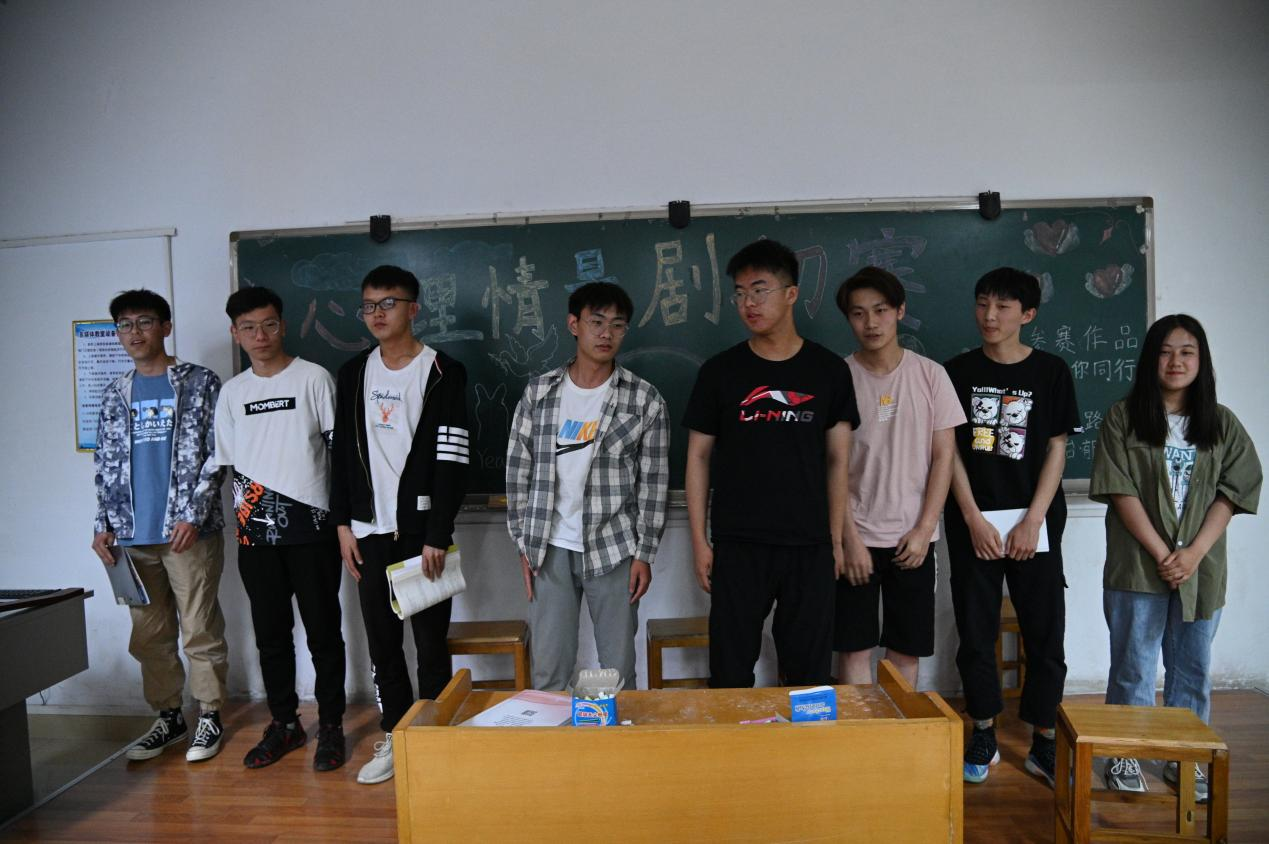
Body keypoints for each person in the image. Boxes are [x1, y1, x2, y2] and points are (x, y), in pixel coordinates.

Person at [1090, 314, 1260, 801]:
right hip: (1137, 566)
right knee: (1133, 666)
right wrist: (1166, 554)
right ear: (1151, 359)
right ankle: (1125, 752)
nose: (1176, 361)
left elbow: (1235, 490)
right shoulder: (1123, 418)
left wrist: (1194, 554)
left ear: (1201, 360)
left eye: (1187, 351)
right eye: (1165, 351)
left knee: (1192, 668)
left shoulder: (1221, 423)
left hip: (1201, 571)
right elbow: (1119, 489)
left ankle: (1185, 756)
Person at [684, 239, 859, 689]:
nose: (749, 303)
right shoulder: (720, 372)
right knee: (730, 671)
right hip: (738, 543)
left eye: (759, 290)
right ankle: (735, 739)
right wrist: (700, 541)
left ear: (791, 293)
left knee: (809, 675)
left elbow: (838, 460)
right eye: (740, 293)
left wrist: (835, 540)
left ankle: (805, 740)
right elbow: (698, 457)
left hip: (809, 544)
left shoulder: (828, 371)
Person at [329, 265, 470, 785]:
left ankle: (432, 737)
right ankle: (396, 734)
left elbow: (453, 457)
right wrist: (342, 525)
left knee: (430, 644)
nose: (377, 314)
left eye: (388, 303)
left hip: (421, 533)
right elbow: (341, 455)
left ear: (414, 309)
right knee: (383, 645)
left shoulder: (443, 371)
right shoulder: (353, 373)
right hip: (368, 532)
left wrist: (438, 532)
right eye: (369, 305)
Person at [943, 267, 1080, 788]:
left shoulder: (1051, 371)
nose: (990, 315)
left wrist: (1034, 519)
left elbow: (1056, 449)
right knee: (975, 630)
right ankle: (983, 730)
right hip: (974, 521)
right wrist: (971, 517)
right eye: (982, 303)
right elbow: (948, 452)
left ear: (1028, 314)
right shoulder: (955, 372)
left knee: (1045, 632)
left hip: (1034, 523)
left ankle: (1043, 738)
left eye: (1002, 306)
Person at [506, 282, 669, 690]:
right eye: (596, 322)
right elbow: (517, 471)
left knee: (618, 671)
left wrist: (645, 554)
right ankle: (555, 735)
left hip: (614, 548)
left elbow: (654, 483)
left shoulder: (645, 400)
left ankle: (617, 733)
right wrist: (524, 544)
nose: (606, 333)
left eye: (617, 325)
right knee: (550, 671)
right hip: (549, 547)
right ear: (573, 324)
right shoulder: (539, 393)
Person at [90, 289, 229, 763]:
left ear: (166, 327)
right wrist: (102, 523)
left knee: (199, 628)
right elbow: (104, 463)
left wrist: (194, 514)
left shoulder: (199, 382)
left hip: (188, 533)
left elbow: (217, 454)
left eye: (145, 322)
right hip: (130, 538)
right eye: (125, 324)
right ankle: (169, 717)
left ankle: (209, 714)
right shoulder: (115, 392)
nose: (135, 332)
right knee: (149, 635)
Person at [214, 286, 347, 771]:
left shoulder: (314, 378)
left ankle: (331, 726)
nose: (260, 335)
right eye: (249, 327)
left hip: (313, 529)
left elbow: (339, 455)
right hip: (256, 533)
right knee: (271, 637)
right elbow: (227, 464)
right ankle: (285, 723)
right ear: (236, 333)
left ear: (283, 326)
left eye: (269, 324)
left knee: (324, 634)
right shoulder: (233, 393)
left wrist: (343, 521)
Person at [834, 267, 964, 688]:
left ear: (900, 311)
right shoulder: (838, 378)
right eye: (858, 313)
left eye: (881, 310)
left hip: (913, 537)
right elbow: (832, 465)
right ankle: (861, 729)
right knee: (853, 646)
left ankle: (898, 728)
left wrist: (925, 529)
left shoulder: (931, 375)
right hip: (856, 535)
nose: (871, 323)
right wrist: (848, 538)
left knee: (906, 647)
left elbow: (944, 456)